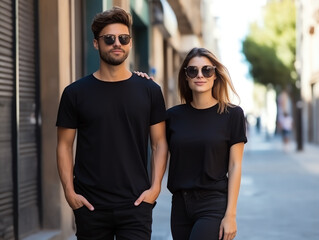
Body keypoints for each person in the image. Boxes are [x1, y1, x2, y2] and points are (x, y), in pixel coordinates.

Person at [56, 7, 168, 240]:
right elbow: (64, 146)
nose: (117, 43)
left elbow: (159, 144)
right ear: (97, 43)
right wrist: (69, 193)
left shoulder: (150, 91)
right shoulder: (74, 93)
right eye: (109, 39)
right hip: (90, 206)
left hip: (136, 204)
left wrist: (155, 188)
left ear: (130, 42)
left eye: (123, 38)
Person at [166, 48, 247, 240]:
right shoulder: (172, 116)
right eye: (192, 70)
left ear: (215, 76)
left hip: (213, 203)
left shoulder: (232, 115)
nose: (199, 75)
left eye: (207, 70)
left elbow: (235, 166)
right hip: (179, 205)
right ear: (185, 76)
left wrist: (231, 215)